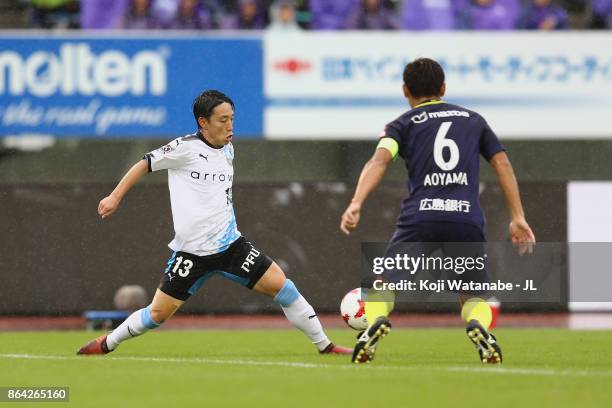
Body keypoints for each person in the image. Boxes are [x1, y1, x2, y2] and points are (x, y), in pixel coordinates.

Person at [77, 90, 351, 357]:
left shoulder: (228, 149)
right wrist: (114, 197)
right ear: (203, 122)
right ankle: (107, 343)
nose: (230, 125)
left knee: (284, 287)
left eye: (232, 118)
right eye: (223, 120)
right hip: (192, 254)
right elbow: (144, 164)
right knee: (157, 314)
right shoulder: (184, 148)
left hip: (231, 246)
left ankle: (325, 345)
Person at [339, 58, 535, 364]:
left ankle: (374, 324)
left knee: (385, 284)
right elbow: (502, 163)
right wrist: (517, 216)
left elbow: (379, 161)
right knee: (472, 295)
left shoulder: (401, 125)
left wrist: (356, 202)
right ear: (443, 88)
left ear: (405, 90)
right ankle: (480, 327)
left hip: (421, 217)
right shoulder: (473, 120)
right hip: (465, 217)